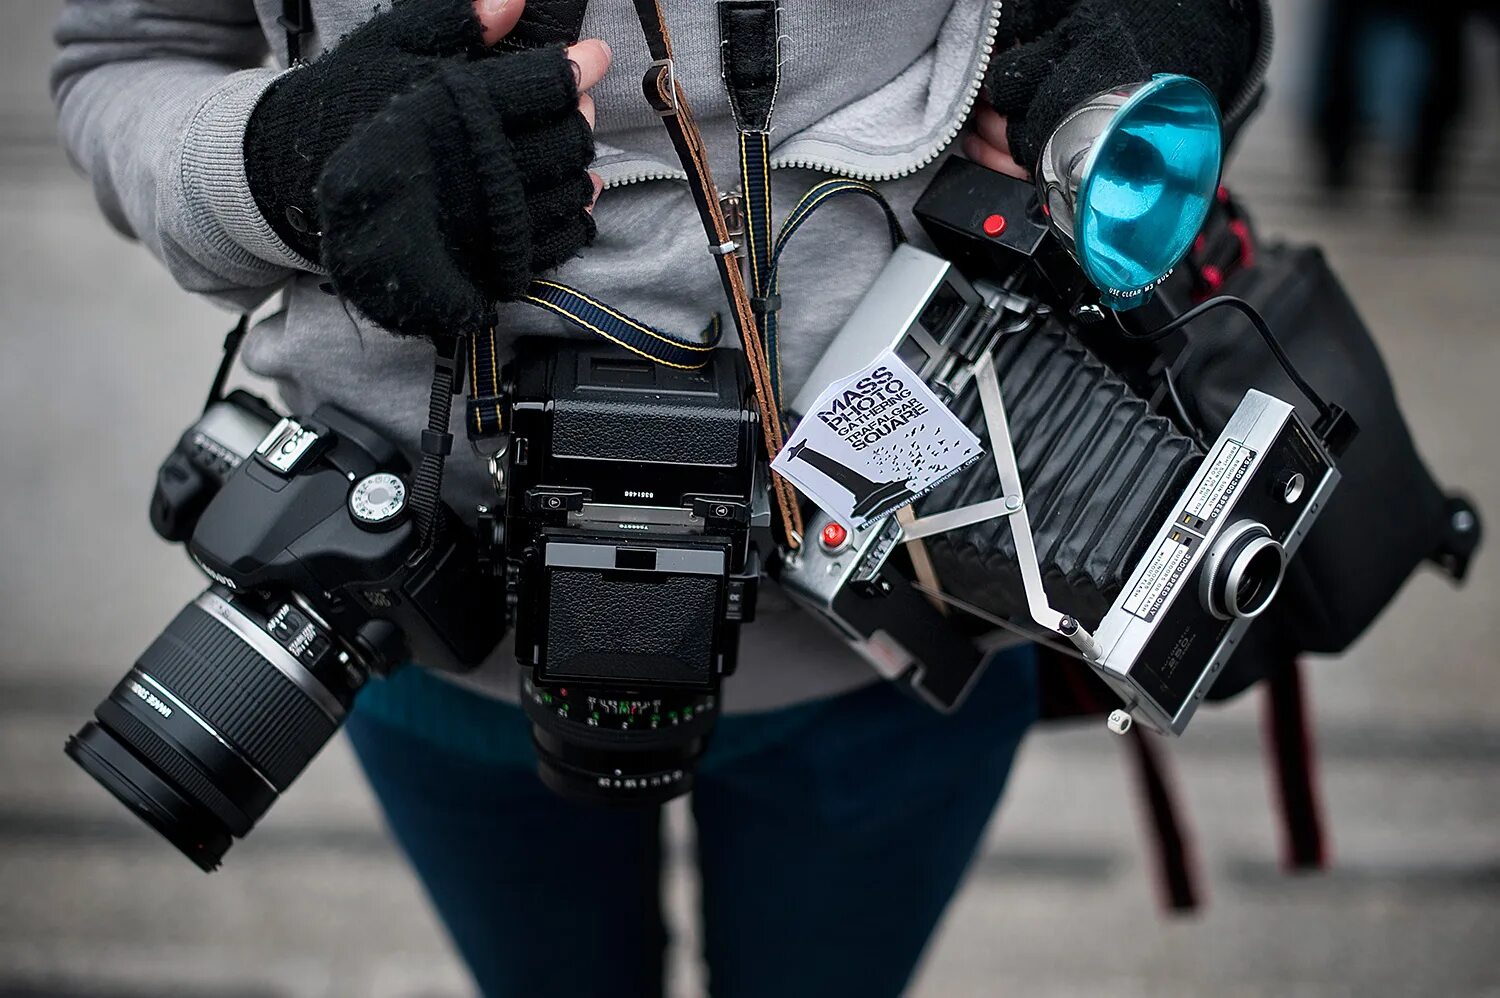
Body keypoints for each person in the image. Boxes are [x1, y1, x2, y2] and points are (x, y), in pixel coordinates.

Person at [52, 1, 1258, 994]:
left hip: (920, 610)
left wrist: (1161, 55)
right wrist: (280, 165)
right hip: (433, 605)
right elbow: (125, 56)